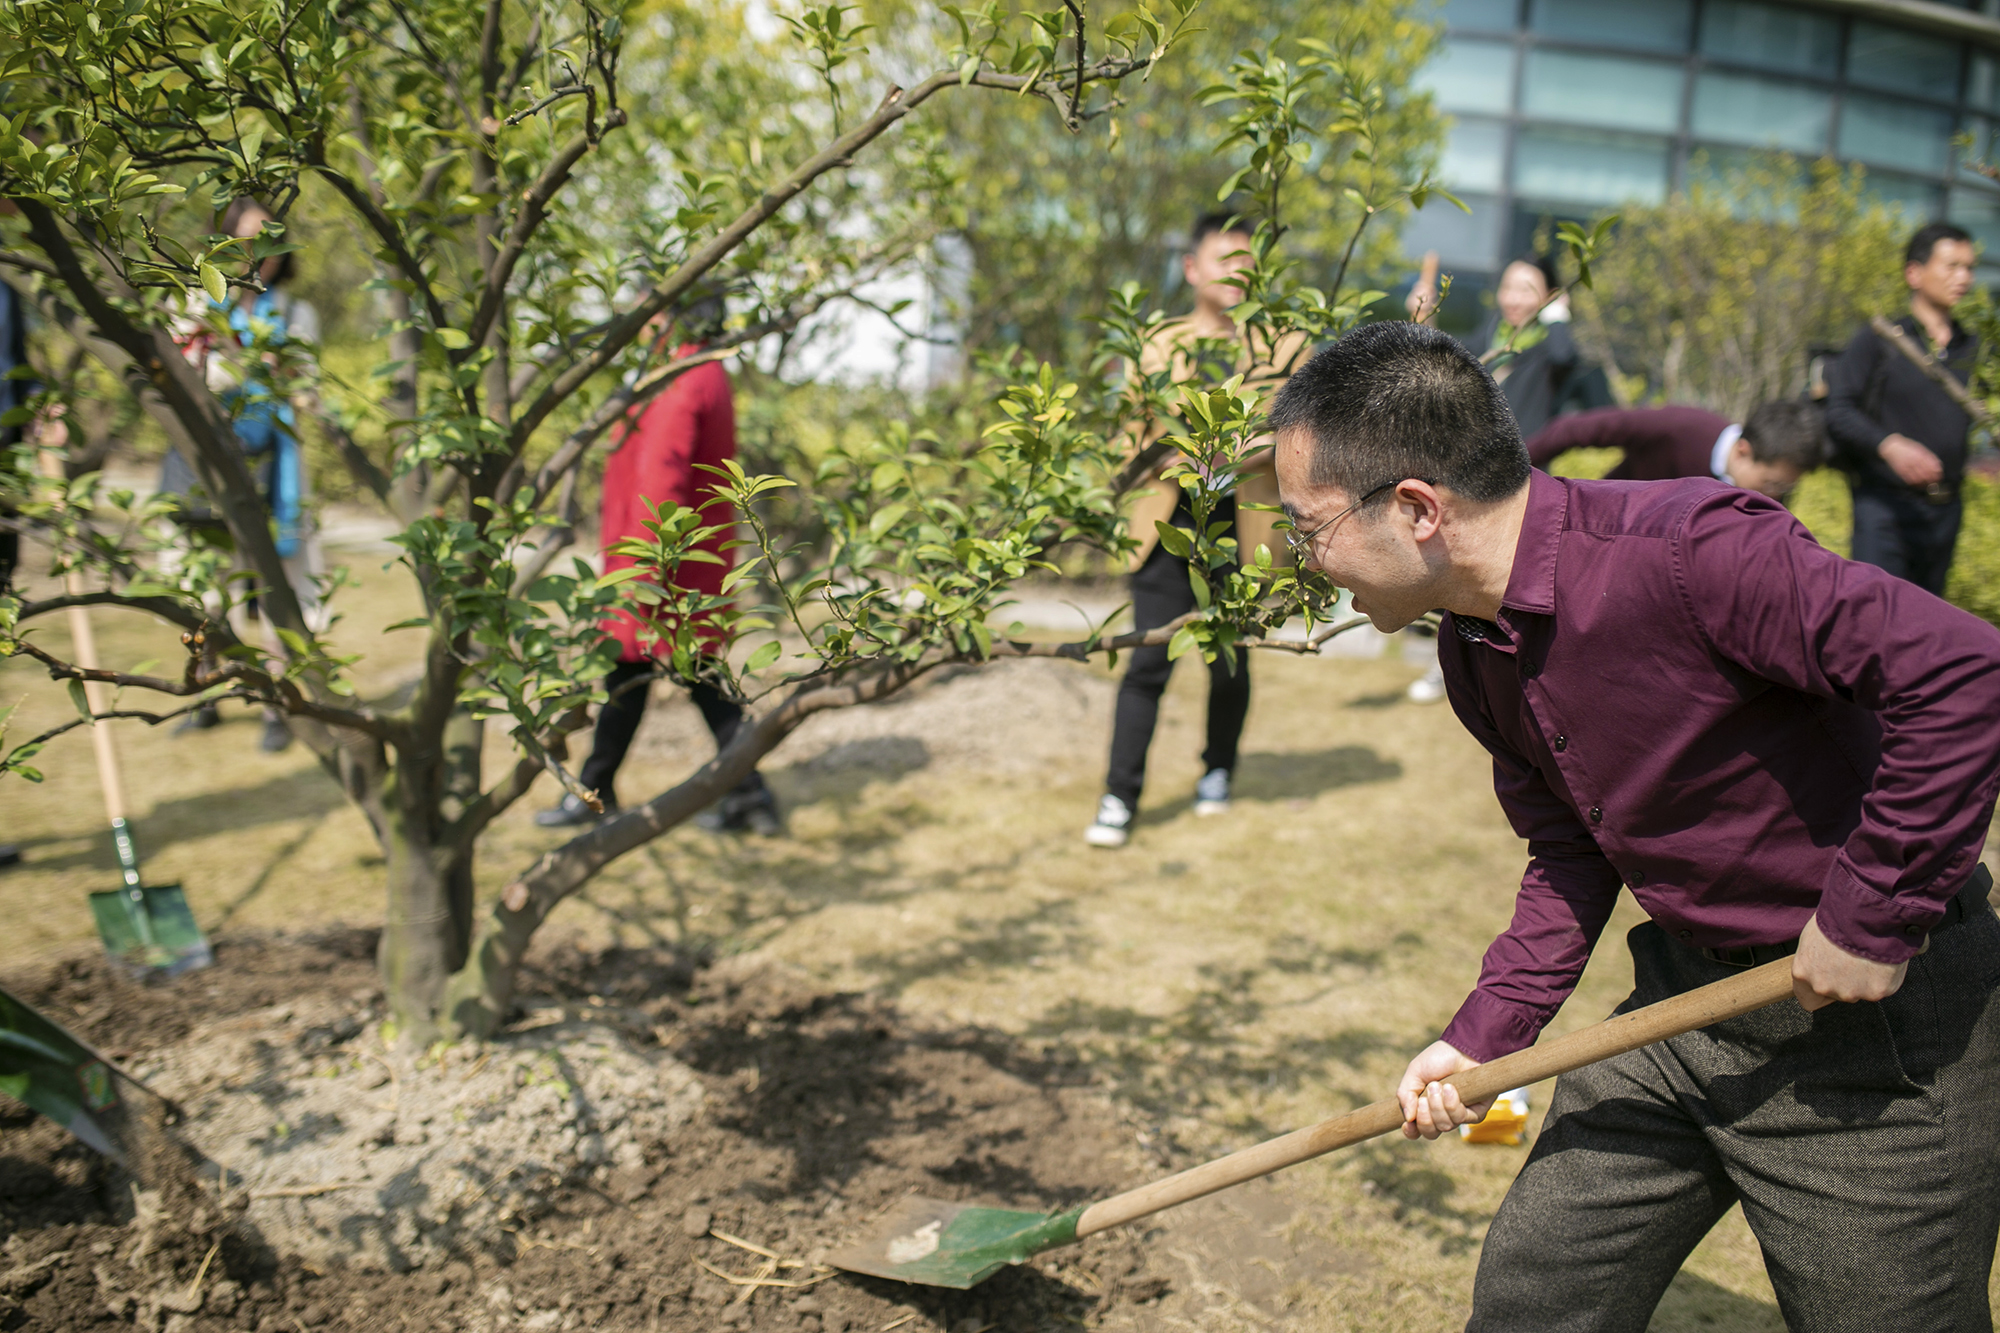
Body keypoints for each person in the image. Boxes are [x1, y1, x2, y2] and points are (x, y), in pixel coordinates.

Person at [1270, 320, 2000, 1332]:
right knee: (1537, 1293)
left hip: (1874, 1032)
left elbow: (1961, 672)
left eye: (1305, 526)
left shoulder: (1695, 553)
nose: (1301, 559)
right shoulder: (1474, 649)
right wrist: (1480, 1038)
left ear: (1416, 508)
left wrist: (1871, 911)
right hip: (1681, 1008)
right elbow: (1569, 850)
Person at [1085, 213, 1296, 849]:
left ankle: (1218, 770)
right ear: (1192, 268)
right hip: (1166, 522)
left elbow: (1292, 431)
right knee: (1147, 659)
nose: (1239, 272)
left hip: (1247, 521)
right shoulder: (1156, 342)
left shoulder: (1284, 347)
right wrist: (1166, 456)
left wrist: (1230, 453)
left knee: (1229, 659)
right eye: (1226, 257)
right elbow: (1132, 431)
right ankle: (1120, 795)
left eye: (1249, 261)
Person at [537, 311, 780, 836]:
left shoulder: (683, 377)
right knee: (653, 678)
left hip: (662, 565)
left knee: (672, 677)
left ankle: (747, 798)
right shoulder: (703, 370)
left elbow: (661, 480)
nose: (641, 322)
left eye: (652, 310)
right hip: (682, 560)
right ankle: (601, 791)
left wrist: (645, 570)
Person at [1400, 251, 1609, 704]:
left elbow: (1566, 354)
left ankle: (1515, 672)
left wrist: (1557, 316)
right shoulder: (1487, 337)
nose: (1514, 298)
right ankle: (1452, 666)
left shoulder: (1547, 346)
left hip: (1523, 478)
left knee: (1510, 576)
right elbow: (1442, 364)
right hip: (1470, 473)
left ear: (1550, 298)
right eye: (1510, 287)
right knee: (1458, 567)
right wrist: (1424, 317)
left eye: (1528, 290)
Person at [166, 197, 325, 751]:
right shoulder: (195, 302)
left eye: (271, 240)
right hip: (206, 466)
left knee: (272, 591)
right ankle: (209, 691)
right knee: (206, 587)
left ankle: (275, 707)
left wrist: (292, 386)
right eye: (248, 238)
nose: (261, 253)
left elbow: (309, 390)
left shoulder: (295, 315)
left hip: (271, 469)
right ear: (225, 240)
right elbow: (178, 375)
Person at [1824, 221, 1978, 595]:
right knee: (1874, 613)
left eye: (1970, 267)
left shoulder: (1976, 349)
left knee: (1925, 622)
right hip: (1883, 508)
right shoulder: (1880, 339)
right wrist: (1888, 444)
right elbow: (1839, 410)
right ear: (1915, 272)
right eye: (1952, 265)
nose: (1964, 277)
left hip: (1945, 510)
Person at [1525, 399, 1827, 500]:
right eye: (1771, 484)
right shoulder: (1679, 429)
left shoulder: (1768, 490)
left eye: (1785, 488)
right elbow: (1577, 429)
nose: (1773, 496)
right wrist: (1512, 463)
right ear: (1743, 451)